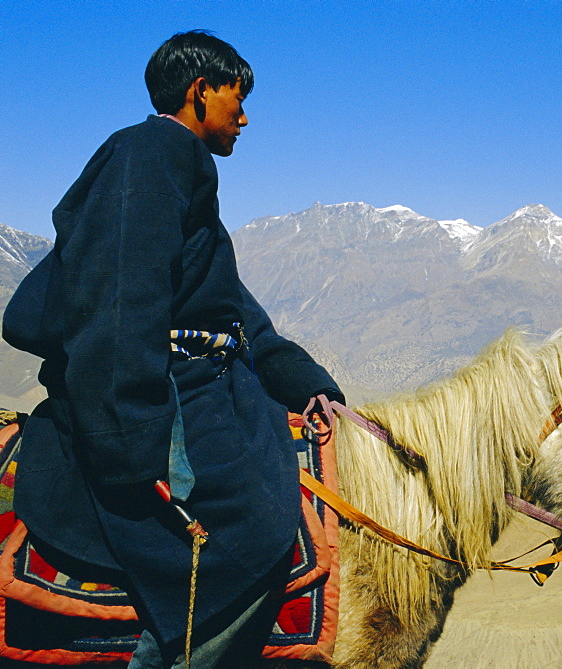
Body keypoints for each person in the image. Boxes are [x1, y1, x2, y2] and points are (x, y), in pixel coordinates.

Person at [2, 31, 343, 667]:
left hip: (208, 385)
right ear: (198, 92)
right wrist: (135, 444)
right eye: (236, 99)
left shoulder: (180, 169)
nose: (244, 117)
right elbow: (122, 305)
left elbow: (236, 315)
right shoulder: (150, 153)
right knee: (252, 533)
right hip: (166, 398)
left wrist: (307, 384)